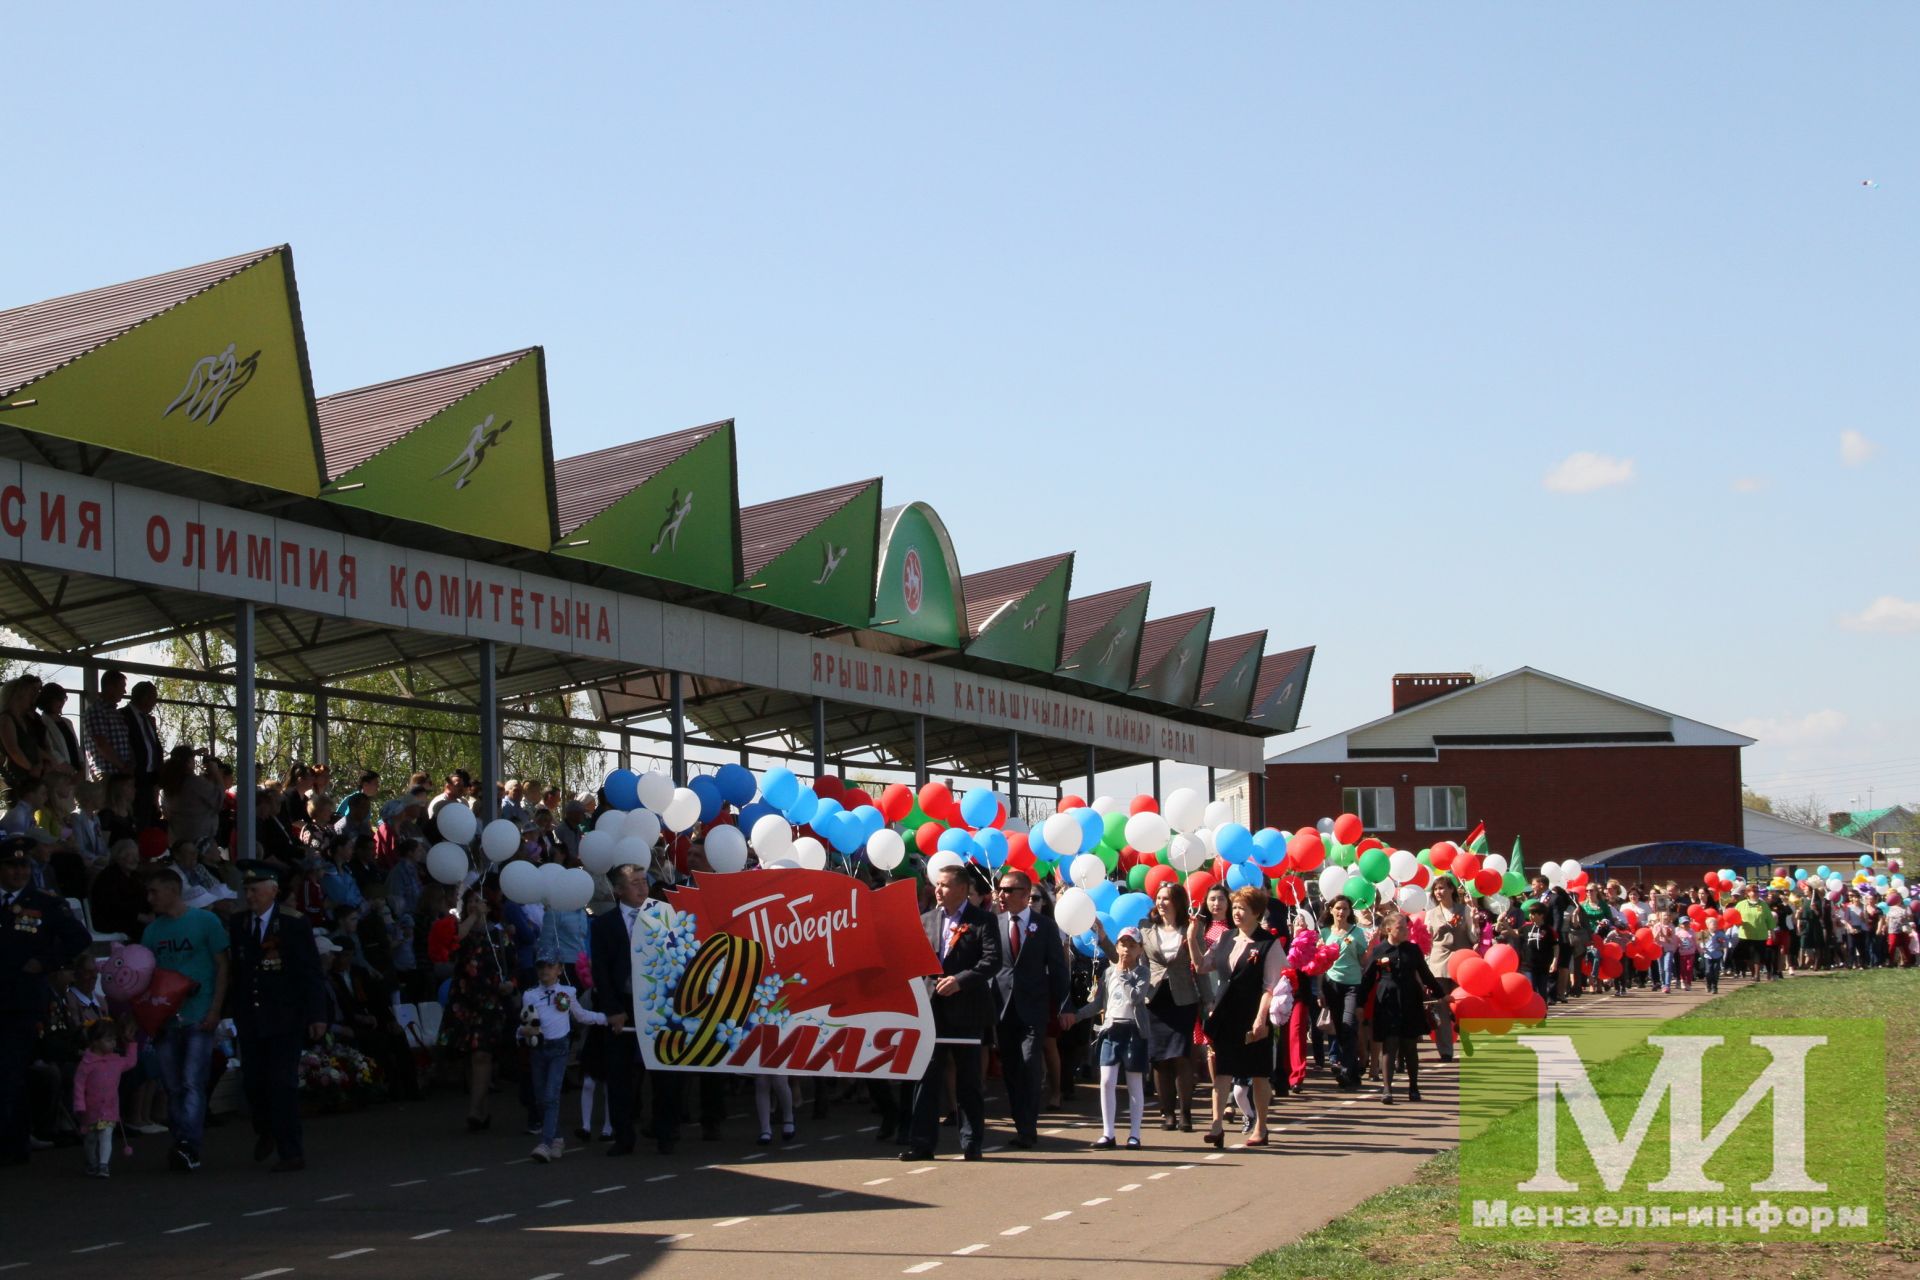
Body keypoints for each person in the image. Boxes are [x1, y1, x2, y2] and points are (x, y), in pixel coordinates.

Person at [228, 861, 327, 1172]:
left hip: (285, 1016)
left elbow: (310, 971)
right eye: (246, 890)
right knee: (253, 1082)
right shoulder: (239, 923)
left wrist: (316, 1013)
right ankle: (267, 1127)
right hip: (251, 1016)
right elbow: (239, 971)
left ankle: (291, 1150)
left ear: (273, 890)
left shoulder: (293, 923)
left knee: (282, 1083)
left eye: (255, 889)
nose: (250, 895)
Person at [0, 836, 90, 1166]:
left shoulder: (44, 903)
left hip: (20, 1003)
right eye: (11, 865)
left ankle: (12, 1146)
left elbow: (78, 938)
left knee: (11, 1072)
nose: (18, 871)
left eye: (23, 865)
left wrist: (46, 962)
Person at [905, 864, 1001, 1162]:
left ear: (961, 888)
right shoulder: (926, 920)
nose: (938, 890)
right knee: (926, 1076)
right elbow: (913, 960)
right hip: (932, 1010)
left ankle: (972, 1142)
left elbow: (992, 960)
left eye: (945, 885)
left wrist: (960, 981)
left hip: (966, 1010)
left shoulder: (982, 921)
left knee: (968, 1080)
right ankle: (921, 1143)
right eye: (937, 884)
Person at [142, 864, 230, 1172]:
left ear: (172, 891)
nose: (150, 898)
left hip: (197, 1015)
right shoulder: (152, 931)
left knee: (193, 1081)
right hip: (166, 1019)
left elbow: (222, 966)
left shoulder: (206, 922)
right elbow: (147, 976)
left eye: (155, 891)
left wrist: (215, 1009)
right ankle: (182, 1139)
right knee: (173, 1084)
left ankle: (188, 1144)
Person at [991, 867, 1068, 1150]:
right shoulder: (994, 923)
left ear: (1025, 895)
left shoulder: (1044, 926)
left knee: (1029, 1064)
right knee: (1011, 1069)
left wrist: (1064, 1004)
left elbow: (1058, 969)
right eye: (1001, 889)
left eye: (1009, 890)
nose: (1002, 894)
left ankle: (1028, 1126)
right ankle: (1019, 1120)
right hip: (1003, 1008)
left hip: (1034, 1008)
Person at [1202, 886, 1284, 1147]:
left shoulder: (1268, 943)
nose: (1236, 912)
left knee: (1259, 1073)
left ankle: (1261, 1126)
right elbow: (1203, 965)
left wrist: (1261, 1019)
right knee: (1223, 1070)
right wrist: (1193, 935)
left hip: (1253, 1015)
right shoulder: (1225, 938)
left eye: (1242, 908)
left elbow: (1271, 986)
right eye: (1235, 907)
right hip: (1226, 1013)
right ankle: (1216, 1126)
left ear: (1257, 913)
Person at [442, 883, 517, 1132]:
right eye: (472, 900)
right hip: (464, 1000)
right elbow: (454, 941)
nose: (477, 904)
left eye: (481, 900)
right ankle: (481, 1108)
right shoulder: (460, 930)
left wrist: (511, 984)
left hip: (491, 1001)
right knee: (468, 1056)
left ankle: (475, 1110)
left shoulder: (499, 934)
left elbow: (513, 966)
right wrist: (473, 915)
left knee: (482, 1054)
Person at [518, 955, 607, 1162]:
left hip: (559, 1048)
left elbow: (581, 1015)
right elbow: (525, 1020)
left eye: (550, 967)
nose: (544, 971)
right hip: (538, 1049)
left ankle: (545, 1142)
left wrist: (604, 1018)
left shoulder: (567, 992)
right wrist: (522, 1032)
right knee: (540, 1098)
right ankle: (557, 1137)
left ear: (559, 969)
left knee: (551, 1095)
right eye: (541, 966)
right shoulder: (530, 995)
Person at [590, 864, 648, 1154]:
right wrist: (612, 1008)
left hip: (655, 1003)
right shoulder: (604, 925)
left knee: (663, 1072)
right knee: (619, 1072)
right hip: (622, 1003)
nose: (641, 888)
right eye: (634, 883)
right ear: (619, 890)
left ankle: (666, 1130)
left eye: (643, 881)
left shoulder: (661, 917)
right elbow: (600, 971)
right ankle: (623, 1134)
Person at [1359, 911, 1442, 1104]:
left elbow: (1425, 973)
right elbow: (1368, 978)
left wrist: (1441, 995)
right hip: (1387, 1001)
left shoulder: (1412, 950)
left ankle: (1413, 1087)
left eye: (1406, 927)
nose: (1405, 930)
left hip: (1409, 1000)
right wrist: (1360, 1003)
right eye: (1400, 927)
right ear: (1388, 929)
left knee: (1409, 1045)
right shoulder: (1380, 951)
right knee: (1389, 1044)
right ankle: (1387, 1089)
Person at [1079, 926, 1151, 1150]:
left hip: (1133, 1031)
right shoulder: (1109, 973)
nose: (1126, 950)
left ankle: (1135, 1134)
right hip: (1111, 1029)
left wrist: (1124, 975)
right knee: (1107, 1081)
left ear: (1140, 949)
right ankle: (1108, 1133)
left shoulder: (1142, 972)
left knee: (1133, 1082)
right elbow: (1100, 1003)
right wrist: (1076, 1015)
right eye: (1123, 944)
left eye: (1132, 945)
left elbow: (1136, 997)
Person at [1140, 882, 1202, 1131]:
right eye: (1158, 898)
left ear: (1177, 901)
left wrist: (1208, 1001)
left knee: (1182, 1058)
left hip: (1183, 999)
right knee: (1159, 1060)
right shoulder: (1145, 929)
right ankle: (1167, 1113)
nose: (1161, 902)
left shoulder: (1191, 928)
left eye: (1166, 898)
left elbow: (1201, 967)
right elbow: (1135, 961)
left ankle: (1185, 1112)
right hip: (1155, 1000)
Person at [72, 1016, 140, 1177]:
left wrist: (131, 1043)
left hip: (109, 1108)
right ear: (95, 1041)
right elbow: (79, 1085)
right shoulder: (87, 1064)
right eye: (109, 1039)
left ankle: (103, 1165)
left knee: (106, 1135)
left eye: (114, 1039)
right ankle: (92, 1162)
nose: (113, 1043)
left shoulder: (115, 1061)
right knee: (90, 1139)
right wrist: (79, 1105)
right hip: (91, 1109)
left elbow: (131, 1062)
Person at [1318, 895, 1368, 1090]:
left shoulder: (1357, 933)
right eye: (1338, 908)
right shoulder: (1323, 933)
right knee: (1339, 1029)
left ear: (1349, 912)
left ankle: (1347, 1070)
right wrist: (1320, 990)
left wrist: (1370, 949)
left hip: (1352, 984)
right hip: (1332, 985)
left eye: (1345, 909)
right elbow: (1319, 965)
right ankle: (1352, 1070)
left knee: (1348, 1025)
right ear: (1331, 910)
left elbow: (1364, 962)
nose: (1341, 912)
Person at [1423, 875, 1472, 1062]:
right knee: (1440, 1006)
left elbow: (1473, 937)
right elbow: (1427, 942)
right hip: (1438, 964)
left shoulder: (1464, 910)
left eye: (1442, 888)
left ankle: (1465, 1035)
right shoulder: (1431, 913)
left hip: (1462, 962)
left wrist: (1474, 923)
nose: (1439, 892)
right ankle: (1446, 1050)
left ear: (1451, 889)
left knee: (1463, 1005)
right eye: (1436, 889)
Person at [120, 682, 165, 827]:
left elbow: (153, 746)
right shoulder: (122, 716)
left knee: (148, 818)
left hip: (150, 778)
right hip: (133, 776)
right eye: (154, 698)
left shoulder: (147, 719)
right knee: (134, 817)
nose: (155, 702)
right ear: (145, 698)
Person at [85, 670, 132, 781]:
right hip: (105, 773)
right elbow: (101, 744)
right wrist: (123, 766)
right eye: (122, 687)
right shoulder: (97, 711)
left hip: (120, 774)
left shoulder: (115, 713)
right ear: (110, 687)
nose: (124, 691)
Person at [36, 683, 82, 777]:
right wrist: (70, 770)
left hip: (77, 772)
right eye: (58, 699)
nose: (62, 703)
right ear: (48, 700)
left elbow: (76, 746)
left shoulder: (67, 722)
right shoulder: (41, 722)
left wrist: (82, 767)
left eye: (63, 699)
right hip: (58, 773)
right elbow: (50, 750)